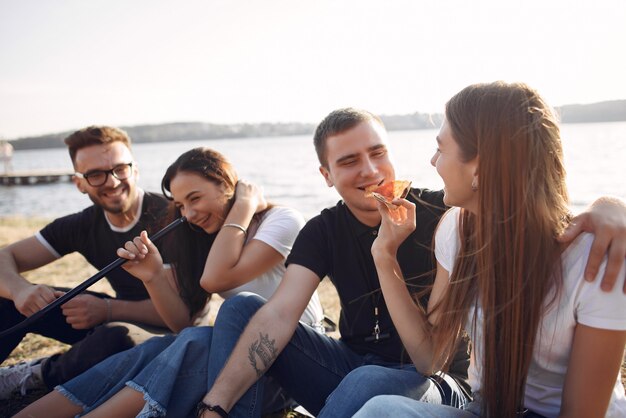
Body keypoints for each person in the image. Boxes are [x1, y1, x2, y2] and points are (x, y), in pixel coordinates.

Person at [195, 108, 626, 418]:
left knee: (369, 386)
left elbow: (533, 209)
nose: (369, 170)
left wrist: (611, 205)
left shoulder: (449, 210)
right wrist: (215, 403)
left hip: (433, 382)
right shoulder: (323, 230)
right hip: (354, 363)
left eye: (377, 153)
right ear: (325, 175)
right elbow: (281, 313)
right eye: (348, 161)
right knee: (241, 309)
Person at [353, 82, 626, 418]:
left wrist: (613, 204)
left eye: (442, 149)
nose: (433, 160)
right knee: (382, 411)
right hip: (486, 409)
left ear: (479, 167)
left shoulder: (595, 259)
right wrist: (384, 255)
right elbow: (430, 357)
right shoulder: (456, 229)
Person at [15, 147, 325, 418]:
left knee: (199, 342)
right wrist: (152, 275)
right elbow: (179, 323)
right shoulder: (206, 239)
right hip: (237, 365)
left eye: (195, 198)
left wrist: (244, 205)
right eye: (180, 205)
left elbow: (216, 278)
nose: (188, 214)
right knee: (166, 345)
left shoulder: (283, 221)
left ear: (228, 185)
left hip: (292, 365)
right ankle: (34, 414)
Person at [0, 126, 171, 399]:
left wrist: (107, 309)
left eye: (120, 169)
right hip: (112, 316)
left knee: (116, 338)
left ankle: (36, 373)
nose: (113, 181)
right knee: (9, 296)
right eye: (95, 174)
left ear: (135, 170)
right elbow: (4, 258)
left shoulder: (171, 216)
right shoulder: (82, 224)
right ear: (79, 183)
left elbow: (185, 314)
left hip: (170, 334)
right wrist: (20, 290)